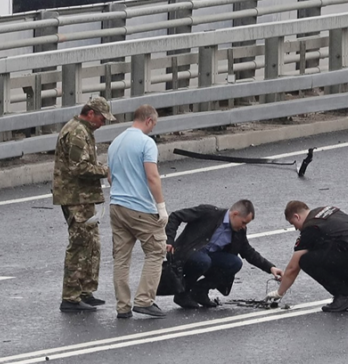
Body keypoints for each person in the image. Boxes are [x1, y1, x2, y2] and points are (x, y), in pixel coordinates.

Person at [52, 96, 116, 312]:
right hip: (75, 197)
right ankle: (70, 297)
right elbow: (79, 168)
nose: (102, 123)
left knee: (92, 244)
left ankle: (85, 291)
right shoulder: (77, 132)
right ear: (90, 114)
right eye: (101, 118)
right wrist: (105, 171)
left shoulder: (83, 130)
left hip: (83, 197)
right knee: (79, 245)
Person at [107, 104, 168, 319]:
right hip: (139, 207)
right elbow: (152, 177)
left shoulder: (115, 142)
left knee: (121, 258)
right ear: (149, 120)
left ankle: (123, 306)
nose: (152, 129)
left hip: (116, 206)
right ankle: (144, 300)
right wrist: (161, 206)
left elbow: (110, 176)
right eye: (154, 124)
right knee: (156, 250)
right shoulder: (146, 143)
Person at [165, 200, 283, 309]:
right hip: (187, 254)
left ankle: (200, 291)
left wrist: (270, 267)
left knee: (235, 263)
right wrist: (169, 241)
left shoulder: (239, 231)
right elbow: (176, 216)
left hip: (207, 259)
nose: (243, 226)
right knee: (203, 260)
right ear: (235, 214)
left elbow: (248, 252)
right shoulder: (209, 213)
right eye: (243, 222)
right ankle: (182, 293)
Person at [267, 201, 348, 312]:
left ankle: (344, 296)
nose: (296, 229)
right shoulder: (327, 211)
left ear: (297, 217)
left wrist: (279, 293)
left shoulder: (311, 227)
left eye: (293, 224)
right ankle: (345, 294)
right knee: (327, 251)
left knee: (306, 260)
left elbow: (293, 267)